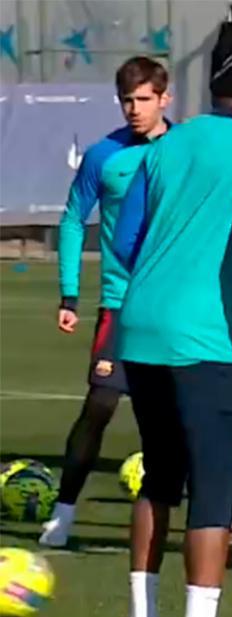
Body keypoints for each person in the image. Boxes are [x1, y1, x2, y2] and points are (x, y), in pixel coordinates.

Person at [110, 21, 232, 617]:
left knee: (159, 475)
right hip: (202, 339)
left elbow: (126, 241)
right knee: (214, 488)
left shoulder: (165, 145)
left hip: (142, 329)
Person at [39, 56, 172, 549]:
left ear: (165, 98)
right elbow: (74, 219)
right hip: (120, 303)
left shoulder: (185, 152)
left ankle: (226, 508)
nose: (134, 109)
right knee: (99, 406)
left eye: (143, 99)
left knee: (185, 414)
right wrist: (69, 294)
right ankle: (63, 514)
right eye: (126, 100)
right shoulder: (103, 155)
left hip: (178, 305)